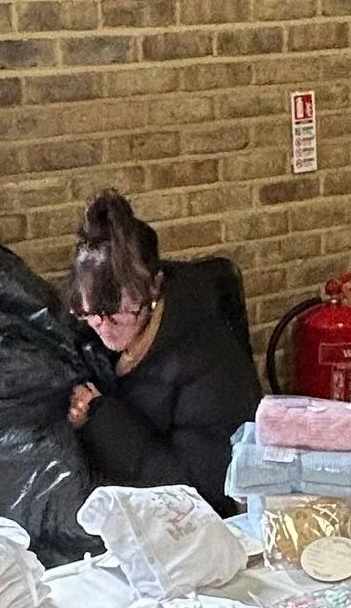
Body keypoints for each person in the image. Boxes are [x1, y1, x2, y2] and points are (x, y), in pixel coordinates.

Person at [65, 191, 259, 508]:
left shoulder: (207, 364)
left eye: (118, 315)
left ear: (154, 288)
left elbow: (199, 490)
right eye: (92, 316)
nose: (106, 331)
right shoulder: (100, 326)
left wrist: (100, 418)